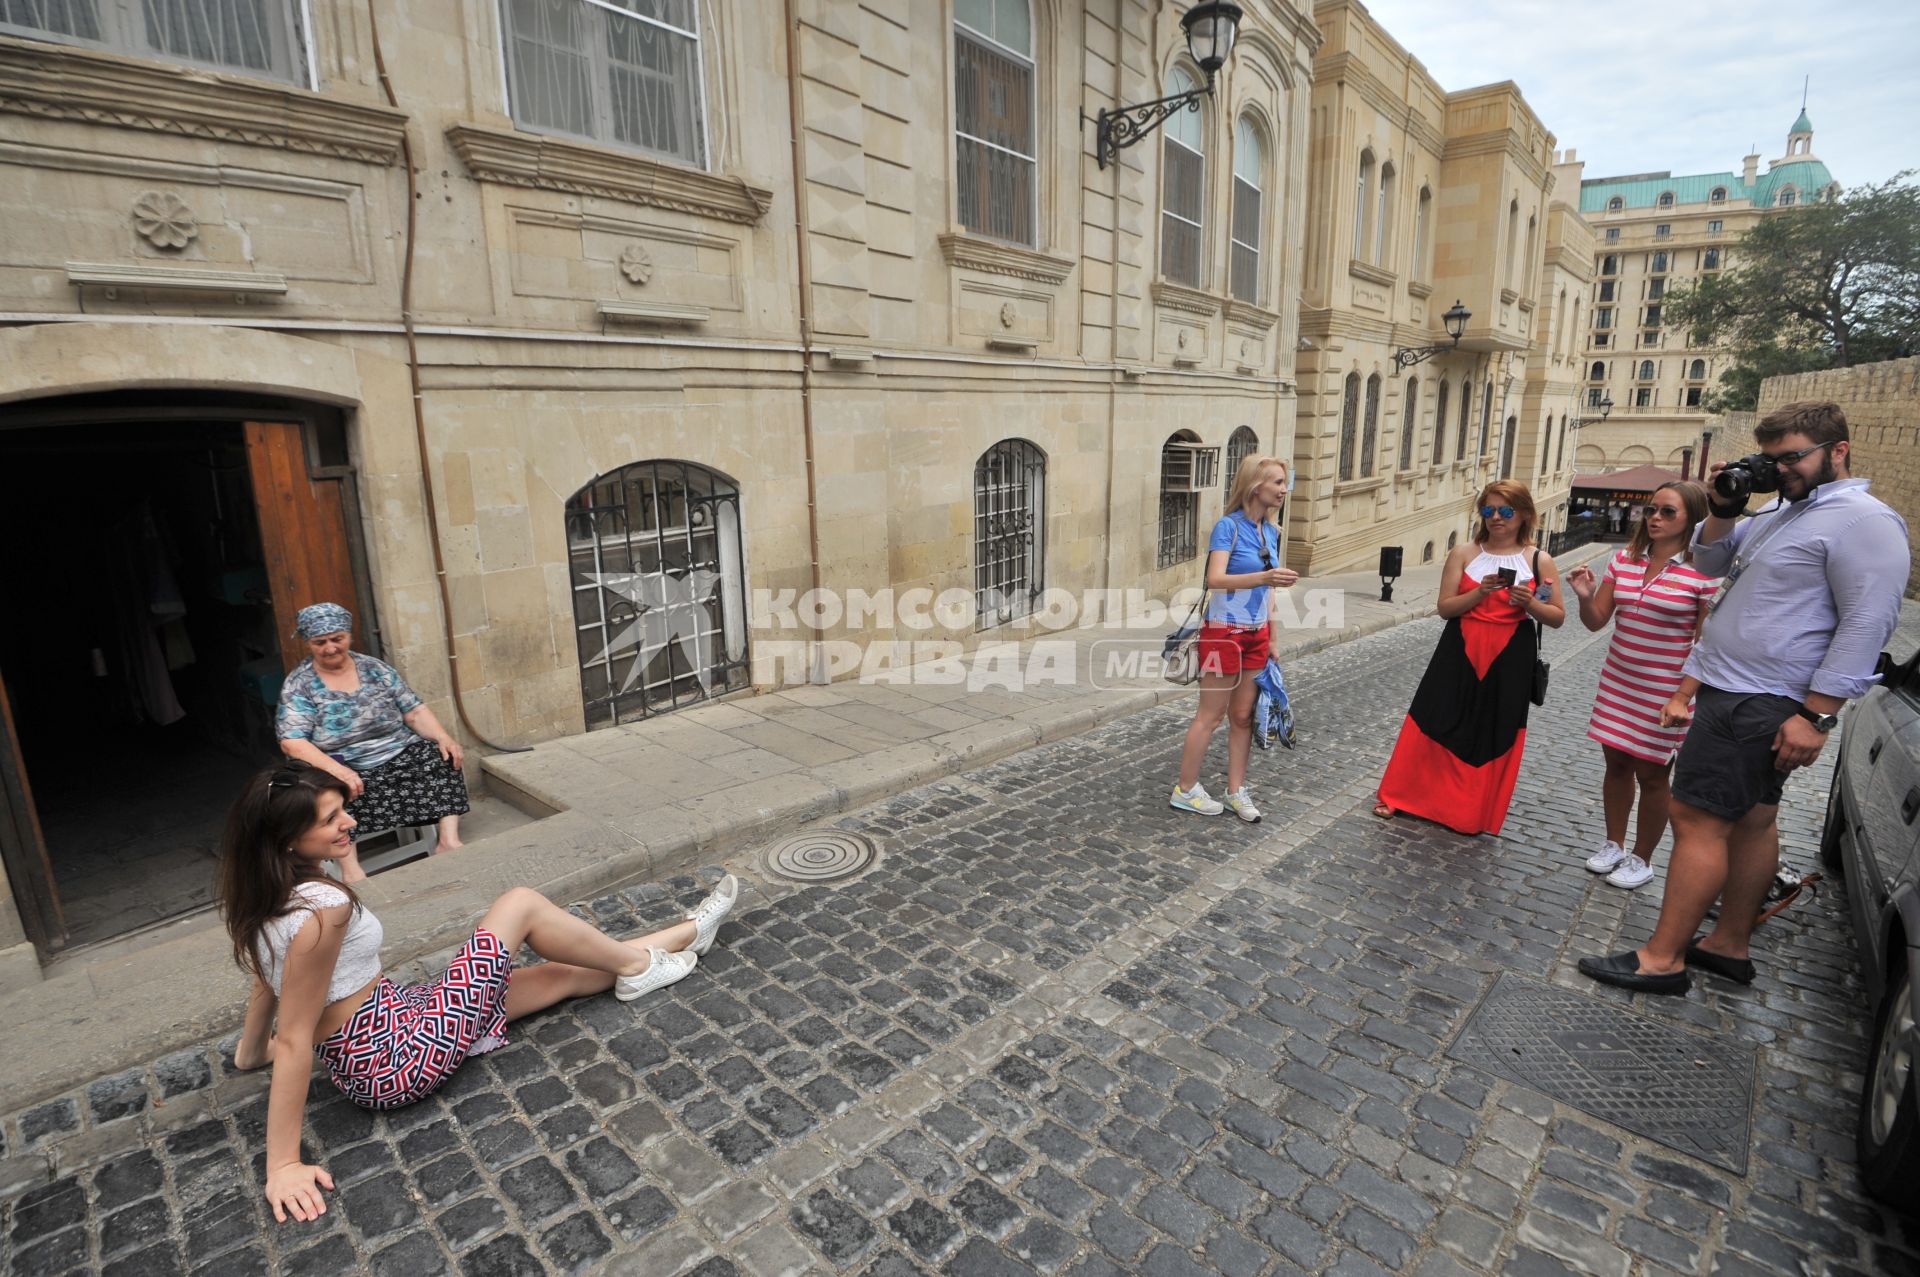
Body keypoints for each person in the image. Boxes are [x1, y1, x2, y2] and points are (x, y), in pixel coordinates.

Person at [221, 758, 741, 1222]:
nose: (349, 823)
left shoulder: (267, 895)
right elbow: (292, 1039)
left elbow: (268, 979)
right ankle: (641, 961)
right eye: (330, 819)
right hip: (392, 1055)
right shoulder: (321, 909)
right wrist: (284, 1164)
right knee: (518, 904)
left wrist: (249, 1053)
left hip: (395, 1021)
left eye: (342, 810)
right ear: (287, 838)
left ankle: (687, 931)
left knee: (555, 976)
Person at [1579, 402, 1909, 995]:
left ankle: (1662, 959)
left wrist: (1817, 715)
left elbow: (1866, 625)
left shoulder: (1863, 522)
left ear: (1839, 451)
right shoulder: (1787, 514)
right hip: (1742, 694)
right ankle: (1728, 945)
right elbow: (1707, 558)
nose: (1782, 470)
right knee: (1754, 821)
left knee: (1697, 820)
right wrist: (1727, 510)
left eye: (1793, 457)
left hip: (1757, 698)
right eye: (1772, 459)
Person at [1373, 482, 1565, 834]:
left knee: (1494, 728)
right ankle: (1402, 795)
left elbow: (1556, 617)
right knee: (1433, 717)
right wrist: (1481, 591)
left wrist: (1529, 603)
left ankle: (1468, 812)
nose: (1496, 518)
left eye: (1505, 511)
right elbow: (1445, 609)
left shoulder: (1539, 559)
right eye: (1488, 510)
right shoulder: (1464, 553)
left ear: (1523, 514)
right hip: (1460, 646)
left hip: (1510, 656)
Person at [1563, 481, 1718, 889]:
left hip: (1665, 690)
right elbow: (1597, 620)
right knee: (1615, 766)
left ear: (1694, 518)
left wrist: (1684, 696)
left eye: (1669, 512)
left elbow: (1706, 644)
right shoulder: (1624, 560)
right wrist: (1584, 595)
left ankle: (1642, 858)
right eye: (1652, 509)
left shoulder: (1703, 573)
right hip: (1619, 682)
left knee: (1652, 776)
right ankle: (1614, 843)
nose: (1655, 518)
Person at [276, 602, 470, 881]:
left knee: (443, 755)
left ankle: (448, 841)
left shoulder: (374, 669)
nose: (330, 647)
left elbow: (413, 711)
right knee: (331, 789)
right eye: (320, 642)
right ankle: (351, 869)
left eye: (337, 639)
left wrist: (443, 737)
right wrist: (338, 770)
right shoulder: (300, 684)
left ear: (349, 636)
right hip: (340, 761)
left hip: (395, 748)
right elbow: (292, 742)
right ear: (308, 643)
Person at [1171, 455, 1299, 822]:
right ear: (1255, 485)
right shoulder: (1228, 527)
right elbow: (1216, 579)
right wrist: (1264, 578)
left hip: (1256, 635)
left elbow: (1271, 592)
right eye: (1277, 482)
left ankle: (1235, 792)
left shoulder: (1271, 532)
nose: (1283, 489)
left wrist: (1272, 636)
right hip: (1223, 632)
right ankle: (1186, 789)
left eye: (1284, 482)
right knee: (1209, 717)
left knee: (1243, 717)